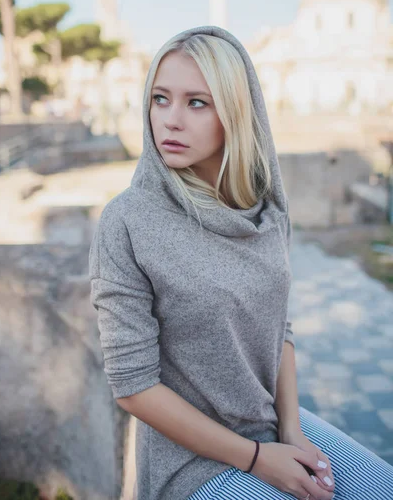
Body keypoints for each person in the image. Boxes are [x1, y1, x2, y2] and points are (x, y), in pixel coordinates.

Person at [88, 25, 393, 500]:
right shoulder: (127, 222)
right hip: (191, 463)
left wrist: (291, 432)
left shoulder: (267, 209)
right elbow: (132, 386)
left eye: (196, 102)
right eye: (160, 98)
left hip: (270, 428)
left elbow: (278, 328)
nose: (169, 120)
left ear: (234, 110)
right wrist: (255, 459)